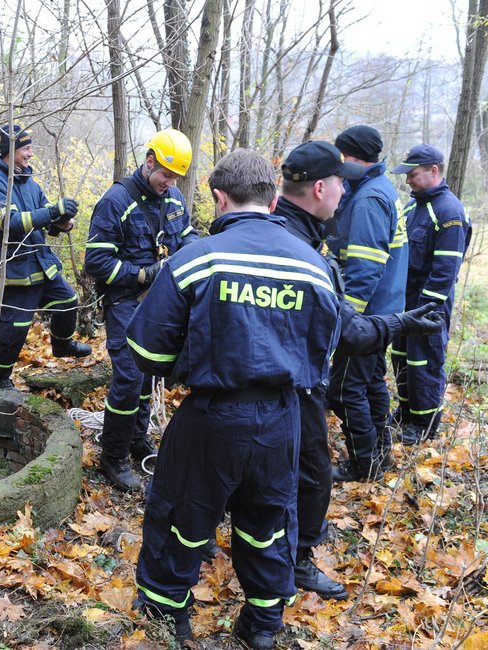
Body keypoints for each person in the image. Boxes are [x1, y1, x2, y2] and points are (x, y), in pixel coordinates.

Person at [128, 149, 342, 649]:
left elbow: (143, 348)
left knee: (182, 515)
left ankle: (168, 619)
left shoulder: (197, 259)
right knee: (268, 521)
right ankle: (264, 626)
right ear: (272, 200)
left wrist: (191, 363)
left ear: (220, 198)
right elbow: (325, 351)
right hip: (283, 419)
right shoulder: (315, 267)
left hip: (212, 416)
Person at [274, 142, 444, 601]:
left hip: (285, 371)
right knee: (312, 466)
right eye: (339, 185)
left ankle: (368, 462)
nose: (343, 193)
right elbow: (347, 327)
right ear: (322, 187)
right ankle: (295, 560)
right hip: (293, 379)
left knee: (364, 392)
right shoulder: (304, 244)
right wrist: (390, 322)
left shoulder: (298, 230)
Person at [84, 128, 198, 491]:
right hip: (125, 301)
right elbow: (97, 262)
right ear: (149, 162)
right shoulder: (116, 201)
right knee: (130, 377)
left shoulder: (175, 197)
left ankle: (137, 437)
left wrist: (193, 254)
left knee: (150, 374)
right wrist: (144, 273)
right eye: (165, 175)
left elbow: (187, 233)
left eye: (175, 177)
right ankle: (113, 455)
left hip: (162, 302)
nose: (169, 182)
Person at [0, 124, 91, 390]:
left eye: (30, 148)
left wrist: (62, 223)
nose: (30, 154)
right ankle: (0, 380)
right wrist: (52, 213)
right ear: (11, 150)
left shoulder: (31, 183)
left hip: (41, 264)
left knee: (67, 300)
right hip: (15, 272)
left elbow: (45, 220)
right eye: (26, 148)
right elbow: (12, 223)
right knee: (14, 330)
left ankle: (62, 345)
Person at [326, 125, 409, 482]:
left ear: (357, 158)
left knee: (344, 389)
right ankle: (380, 454)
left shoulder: (370, 199)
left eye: (344, 157)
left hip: (369, 314)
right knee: (372, 381)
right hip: (384, 311)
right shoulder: (376, 189)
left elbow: (364, 269)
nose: (341, 164)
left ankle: (364, 464)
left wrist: (349, 321)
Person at [390, 144, 472, 443]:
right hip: (405, 301)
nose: (408, 180)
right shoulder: (414, 206)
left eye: (413, 174)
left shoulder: (450, 211)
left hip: (429, 306)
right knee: (401, 357)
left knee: (424, 361)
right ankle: (406, 410)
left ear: (433, 171)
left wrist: (425, 309)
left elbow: (445, 270)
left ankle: (425, 424)